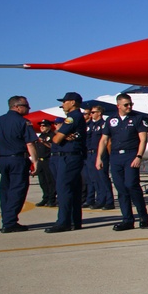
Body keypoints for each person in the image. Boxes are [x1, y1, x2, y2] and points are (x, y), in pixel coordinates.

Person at [97, 93, 148, 230]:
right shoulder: (111, 120)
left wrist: (139, 156)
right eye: (126, 104)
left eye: (130, 104)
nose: (129, 107)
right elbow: (104, 140)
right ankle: (127, 219)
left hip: (131, 155)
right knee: (121, 188)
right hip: (115, 157)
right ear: (118, 106)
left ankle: (143, 217)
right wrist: (99, 157)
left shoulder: (137, 119)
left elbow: (143, 139)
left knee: (131, 185)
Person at [0, 96, 39, 233]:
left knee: (5, 190)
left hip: (2, 159)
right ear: (17, 107)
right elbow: (30, 143)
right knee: (18, 190)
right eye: (26, 106)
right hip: (17, 159)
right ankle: (10, 222)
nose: (28, 109)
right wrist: (35, 162)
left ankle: (7, 219)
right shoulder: (23, 122)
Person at [45, 92, 87, 233]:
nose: (63, 104)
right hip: (73, 157)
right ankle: (75, 221)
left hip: (68, 157)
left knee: (63, 189)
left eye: (65, 101)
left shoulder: (72, 118)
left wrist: (60, 136)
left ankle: (63, 222)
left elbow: (56, 139)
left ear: (73, 102)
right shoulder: (77, 117)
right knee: (73, 190)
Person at [85, 105, 115, 210]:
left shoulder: (104, 124)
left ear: (99, 113)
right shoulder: (89, 125)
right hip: (90, 154)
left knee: (103, 177)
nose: (91, 114)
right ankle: (100, 200)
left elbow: (108, 142)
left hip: (101, 154)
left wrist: (109, 155)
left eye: (93, 112)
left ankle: (109, 201)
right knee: (94, 179)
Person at [34, 120, 57, 207]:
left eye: (44, 126)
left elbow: (53, 147)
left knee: (50, 180)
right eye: (41, 126)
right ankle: (45, 197)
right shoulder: (41, 136)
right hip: (41, 160)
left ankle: (52, 199)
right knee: (42, 181)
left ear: (49, 126)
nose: (42, 127)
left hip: (48, 160)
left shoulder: (52, 136)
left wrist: (44, 142)